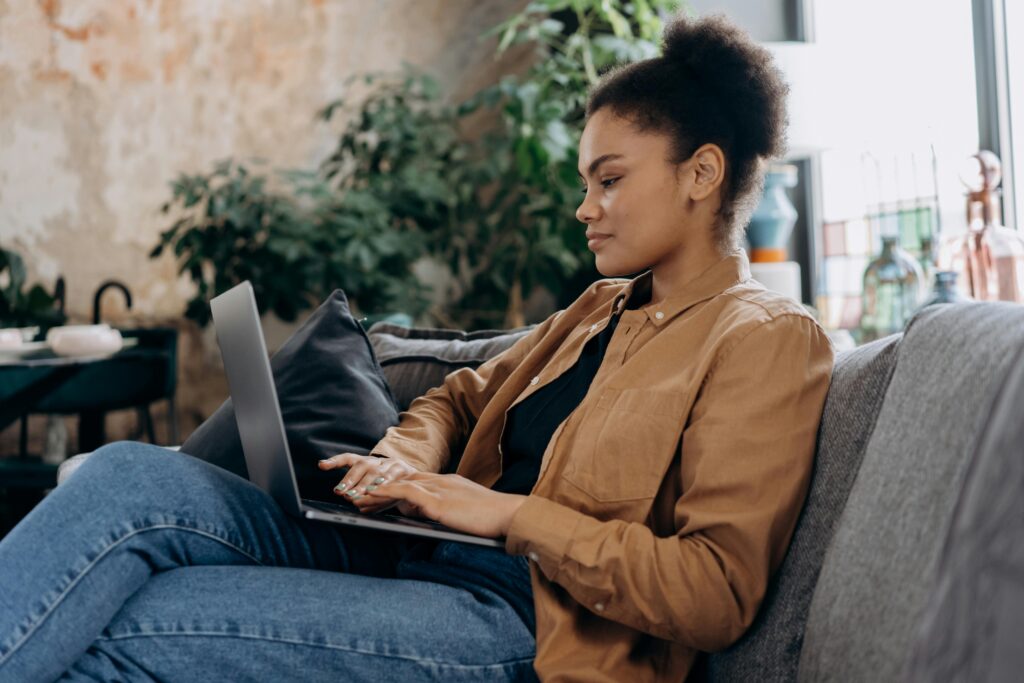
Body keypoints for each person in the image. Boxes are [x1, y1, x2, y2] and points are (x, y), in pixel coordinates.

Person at [0, 12, 833, 682]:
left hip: (518, 625)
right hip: (411, 553)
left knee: (128, 626)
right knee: (125, 475)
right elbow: (457, 395)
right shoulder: (597, 309)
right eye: (585, 182)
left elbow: (716, 592)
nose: (585, 207)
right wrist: (403, 461)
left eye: (608, 179)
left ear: (702, 173)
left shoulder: (763, 340)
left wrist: (504, 513)